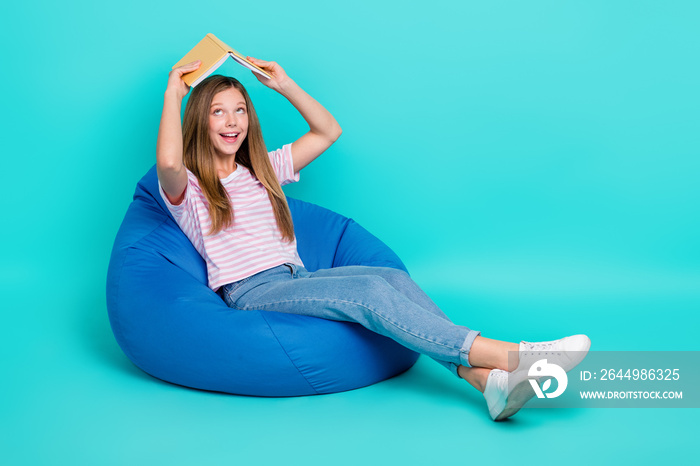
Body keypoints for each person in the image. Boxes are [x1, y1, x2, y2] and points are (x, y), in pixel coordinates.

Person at [156, 58, 591, 421]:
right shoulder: (188, 188)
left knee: (390, 279)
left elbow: (328, 131)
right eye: (217, 111)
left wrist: (284, 84)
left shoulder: (263, 170)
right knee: (367, 292)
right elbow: (169, 160)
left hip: (295, 275)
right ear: (200, 119)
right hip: (252, 289)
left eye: (240, 110)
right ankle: (514, 356)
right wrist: (174, 95)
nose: (232, 121)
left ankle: (487, 384)